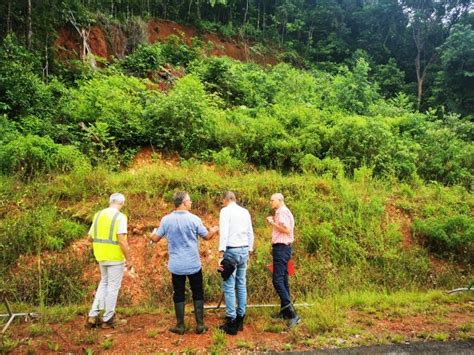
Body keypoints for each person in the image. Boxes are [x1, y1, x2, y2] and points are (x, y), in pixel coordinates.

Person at [149, 191, 218, 335]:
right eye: (190, 200)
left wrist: (151, 234)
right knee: (197, 292)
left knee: (178, 293)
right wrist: (214, 230)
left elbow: (155, 239)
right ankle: (200, 325)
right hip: (193, 264)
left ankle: (180, 326)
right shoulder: (194, 219)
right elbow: (206, 236)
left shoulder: (166, 220)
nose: (191, 202)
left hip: (176, 265)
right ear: (183, 202)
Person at [87, 193, 132, 329]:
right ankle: (108, 319)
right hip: (115, 257)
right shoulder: (120, 217)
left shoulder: (98, 215)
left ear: (110, 201)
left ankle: (93, 316)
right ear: (122, 203)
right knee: (113, 286)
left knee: (104, 283)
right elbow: (121, 240)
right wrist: (129, 258)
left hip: (101, 255)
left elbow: (90, 238)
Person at [217, 191, 254, 335]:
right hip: (244, 249)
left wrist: (221, 253)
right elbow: (250, 232)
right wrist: (249, 250)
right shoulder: (245, 212)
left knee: (229, 285)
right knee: (241, 284)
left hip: (231, 250)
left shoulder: (225, 211)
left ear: (226, 200)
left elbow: (224, 232)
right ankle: (240, 318)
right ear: (235, 199)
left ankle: (231, 321)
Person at [266, 193, 301, 328]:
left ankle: (292, 315)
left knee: (278, 280)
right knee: (283, 280)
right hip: (282, 249)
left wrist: (273, 223)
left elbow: (287, 229)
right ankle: (285, 311)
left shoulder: (282, 212)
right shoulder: (281, 212)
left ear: (280, 200)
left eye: (272, 200)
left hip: (281, 249)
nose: (271, 202)